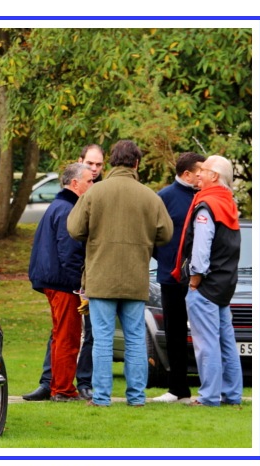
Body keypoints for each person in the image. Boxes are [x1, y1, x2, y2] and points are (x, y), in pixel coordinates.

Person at [67, 140, 173, 407]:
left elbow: (75, 229)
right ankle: (136, 397)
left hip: (101, 277)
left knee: (102, 339)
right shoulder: (150, 196)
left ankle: (101, 398)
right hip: (136, 277)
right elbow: (166, 234)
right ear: (136, 163)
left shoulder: (95, 192)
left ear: (112, 162)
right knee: (136, 338)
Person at [171, 155, 242, 407]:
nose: (198, 173)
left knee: (206, 344)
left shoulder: (207, 205)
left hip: (205, 286)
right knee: (226, 343)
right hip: (223, 285)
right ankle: (232, 395)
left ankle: (209, 397)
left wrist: (194, 281)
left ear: (214, 176)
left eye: (203, 170)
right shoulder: (228, 203)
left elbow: (201, 249)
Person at [24, 163, 94, 402]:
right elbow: (69, 252)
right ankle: (63, 390)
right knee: (68, 336)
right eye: (89, 181)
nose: (92, 185)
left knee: (60, 335)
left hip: (54, 280)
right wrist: (79, 286)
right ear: (75, 183)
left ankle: (57, 386)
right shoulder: (67, 209)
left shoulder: (59, 206)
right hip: (63, 282)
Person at [151, 152, 205, 403]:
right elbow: (153, 237)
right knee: (174, 332)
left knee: (205, 331)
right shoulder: (163, 198)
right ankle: (177, 388)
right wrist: (168, 261)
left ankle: (212, 388)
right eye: (199, 171)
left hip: (202, 278)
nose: (203, 175)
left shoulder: (204, 196)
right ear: (187, 174)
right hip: (171, 277)